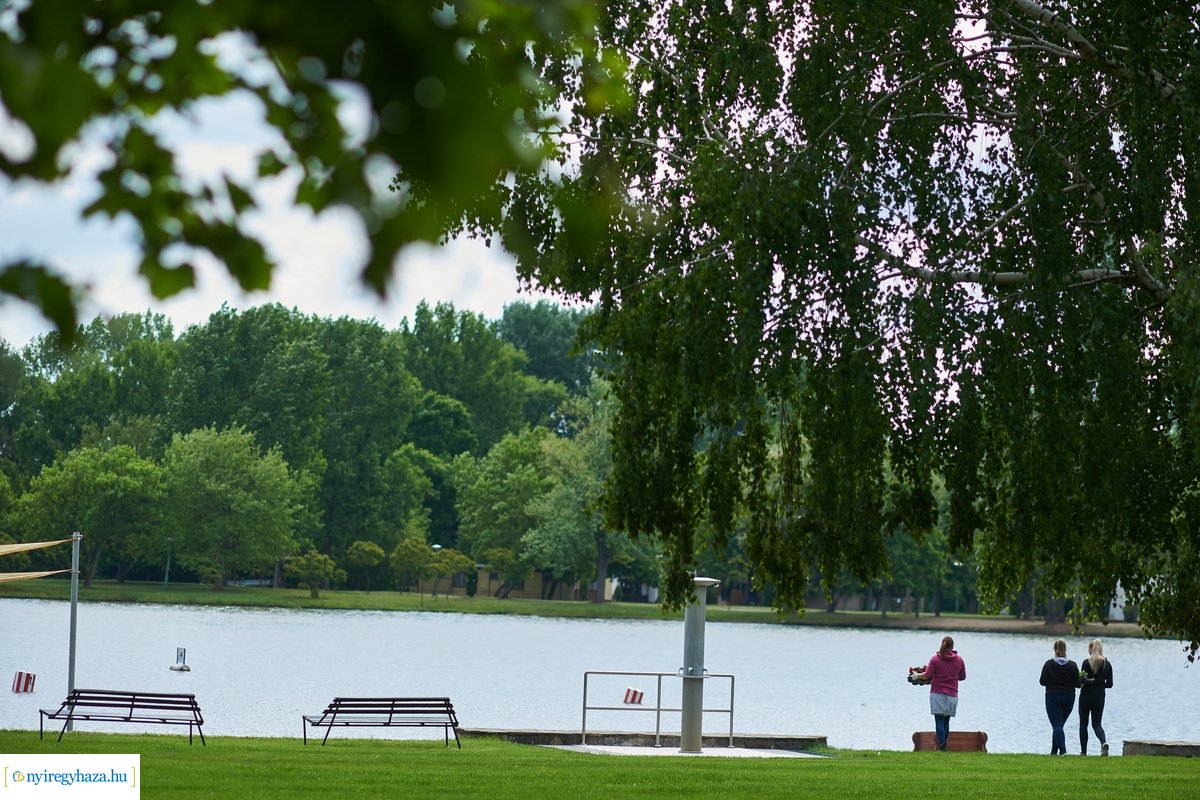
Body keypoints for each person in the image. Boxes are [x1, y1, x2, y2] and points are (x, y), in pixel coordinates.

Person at [924, 635, 967, 751]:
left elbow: (927, 675)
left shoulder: (935, 659)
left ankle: (942, 745)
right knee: (946, 721)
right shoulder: (959, 660)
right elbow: (962, 677)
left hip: (937, 693)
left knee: (938, 720)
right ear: (952, 646)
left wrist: (916, 676)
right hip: (952, 695)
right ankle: (943, 745)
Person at [1039, 639, 1081, 755]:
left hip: (1053, 697)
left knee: (1057, 725)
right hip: (1069, 698)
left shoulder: (1048, 664)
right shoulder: (1073, 665)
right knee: (1059, 725)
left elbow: (1042, 681)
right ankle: (1053, 751)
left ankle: (1063, 751)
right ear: (1066, 649)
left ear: (1054, 649)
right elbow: (1078, 684)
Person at [1079, 638, 1114, 756]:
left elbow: (1081, 680)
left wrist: (1089, 682)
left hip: (1085, 696)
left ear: (1091, 649)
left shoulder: (1086, 662)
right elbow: (1109, 684)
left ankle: (1084, 752)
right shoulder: (1107, 664)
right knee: (1097, 724)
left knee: (1083, 724)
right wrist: (1100, 684)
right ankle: (1103, 743)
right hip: (1099, 696)